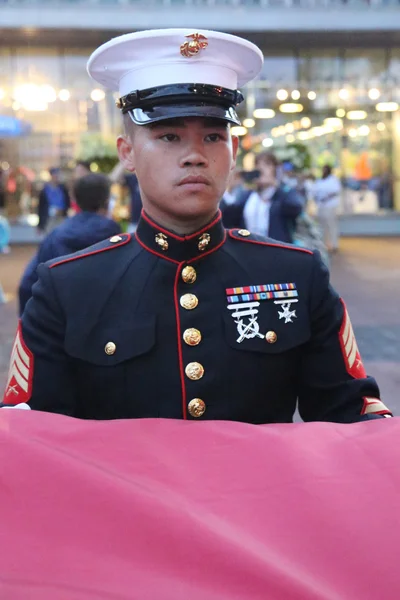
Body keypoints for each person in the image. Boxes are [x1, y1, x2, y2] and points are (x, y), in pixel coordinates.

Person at [1, 28, 391, 423]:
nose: (194, 156)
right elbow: (29, 434)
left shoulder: (296, 274)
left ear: (233, 152)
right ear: (128, 153)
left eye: (212, 136)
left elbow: (353, 417)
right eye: (169, 136)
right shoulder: (67, 286)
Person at [18, 173, 121, 315]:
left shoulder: (56, 235)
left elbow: (28, 284)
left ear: (75, 200)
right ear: (107, 200)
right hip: (106, 320)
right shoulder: (118, 238)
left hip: (62, 319)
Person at [221, 152, 304, 243]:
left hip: (277, 252)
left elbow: (296, 207)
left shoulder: (283, 194)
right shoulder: (248, 195)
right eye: (257, 164)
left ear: (275, 170)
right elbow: (227, 217)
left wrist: (277, 185)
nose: (261, 168)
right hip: (250, 251)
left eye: (267, 164)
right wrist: (230, 188)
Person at [313, 165, 341, 253]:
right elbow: (315, 191)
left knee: (331, 225)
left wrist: (326, 198)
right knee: (321, 226)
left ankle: (334, 245)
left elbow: (335, 192)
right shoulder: (320, 180)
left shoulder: (333, 180)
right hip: (321, 206)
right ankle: (323, 244)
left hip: (330, 205)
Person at [38, 167, 70, 233]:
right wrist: (40, 225)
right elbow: (40, 208)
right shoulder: (45, 190)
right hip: (49, 219)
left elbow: (67, 203)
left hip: (61, 217)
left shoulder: (63, 188)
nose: (56, 177)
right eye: (55, 175)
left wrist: (63, 211)